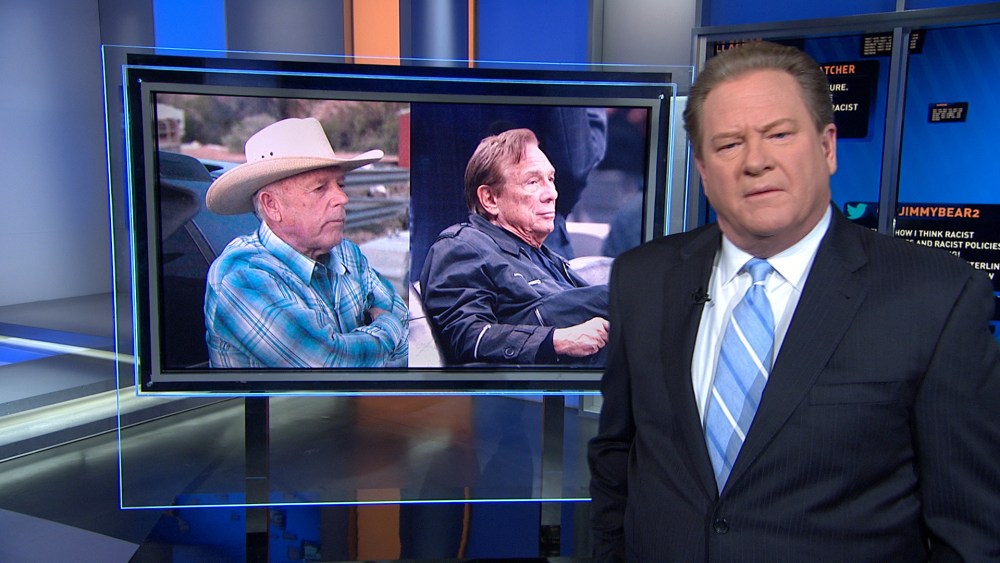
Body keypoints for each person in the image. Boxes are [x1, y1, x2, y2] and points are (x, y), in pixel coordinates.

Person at [588, 41, 1000, 561]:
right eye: (729, 144)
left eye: (779, 135)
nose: (756, 162)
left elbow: (972, 527)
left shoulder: (935, 298)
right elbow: (617, 457)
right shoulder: (642, 279)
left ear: (827, 147)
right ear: (704, 171)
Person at [203, 117, 408, 368]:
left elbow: (408, 324)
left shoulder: (347, 254)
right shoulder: (241, 277)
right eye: (320, 188)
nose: (342, 198)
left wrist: (370, 345)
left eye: (340, 184)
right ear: (272, 205)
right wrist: (387, 326)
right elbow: (331, 368)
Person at [419, 128, 610, 365]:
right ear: (490, 199)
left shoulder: (544, 257)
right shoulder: (461, 246)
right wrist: (556, 340)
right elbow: (466, 336)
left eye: (551, 179)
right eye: (533, 182)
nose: (551, 193)